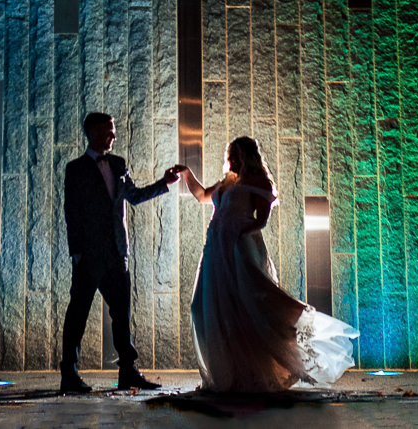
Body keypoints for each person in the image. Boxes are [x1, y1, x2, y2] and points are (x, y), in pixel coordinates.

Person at [177, 136, 359, 392]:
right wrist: (186, 173)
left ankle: (253, 370)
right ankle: (226, 372)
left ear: (248, 156)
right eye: (231, 155)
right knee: (204, 307)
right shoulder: (227, 182)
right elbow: (201, 195)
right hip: (215, 250)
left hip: (239, 247)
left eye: (238, 155)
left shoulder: (259, 182)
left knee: (247, 305)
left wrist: (238, 232)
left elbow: (261, 220)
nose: (233, 160)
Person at [60, 112, 182, 394]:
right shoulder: (75, 169)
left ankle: (128, 371)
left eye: (113, 131)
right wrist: (76, 251)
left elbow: (134, 196)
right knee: (77, 314)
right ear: (91, 133)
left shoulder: (118, 164)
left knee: (122, 315)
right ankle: (69, 375)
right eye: (108, 131)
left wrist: (164, 183)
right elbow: (71, 212)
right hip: (88, 256)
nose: (113, 136)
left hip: (116, 253)